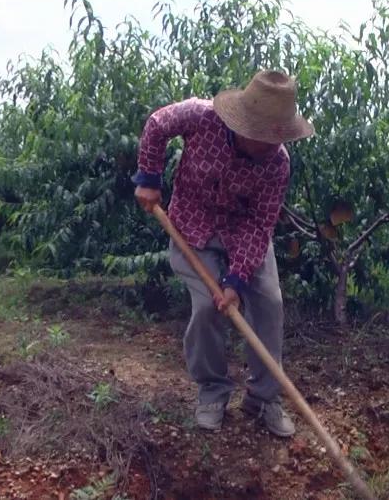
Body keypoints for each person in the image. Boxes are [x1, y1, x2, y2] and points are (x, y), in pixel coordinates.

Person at [131, 70, 313, 436]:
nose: (270, 144)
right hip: (191, 228)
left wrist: (236, 278)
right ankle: (212, 390)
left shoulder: (278, 163)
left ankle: (263, 398)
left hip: (243, 234)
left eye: (276, 137)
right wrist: (148, 179)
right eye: (263, 136)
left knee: (270, 303)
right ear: (244, 123)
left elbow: (261, 224)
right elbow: (156, 125)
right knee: (206, 307)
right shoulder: (200, 116)